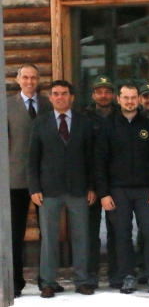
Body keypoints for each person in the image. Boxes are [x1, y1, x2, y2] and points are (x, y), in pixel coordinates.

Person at [94, 82, 149, 295]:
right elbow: (99, 162)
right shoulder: (109, 126)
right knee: (122, 235)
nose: (129, 101)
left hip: (146, 191)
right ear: (119, 100)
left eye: (133, 98)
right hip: (118, 191)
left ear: (139, 100)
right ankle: (126, 276)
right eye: (125, 97)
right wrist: (104, 193)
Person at [27, 80, 95, 297]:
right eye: (55, 94)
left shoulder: (84, 123)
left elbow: (91, 158)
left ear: (71, 97)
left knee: (81, 236)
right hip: (49, 190)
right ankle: (48, 282)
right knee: (48, 238)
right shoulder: (40, 123)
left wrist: (92, 186)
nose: (60, 97)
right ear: (50, 98)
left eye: (64, 93)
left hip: (78, 188)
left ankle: (82, 280)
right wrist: (34, 188)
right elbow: (32, 159)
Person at [8, 64, 52, 298]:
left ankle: (46, 279)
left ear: (39, 80)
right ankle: (15, 281)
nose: (29, 81)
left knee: (47, 232)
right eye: (25, 77)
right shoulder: (6, 106)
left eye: (34, 77)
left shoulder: (48, 104)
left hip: (45, 178)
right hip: (15, 179)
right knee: (15, 233)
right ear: (18, 79)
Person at [85, 75, 119, 288]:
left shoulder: (121, 116)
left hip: (115, 181)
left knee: (116, 229)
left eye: (107, 91)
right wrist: (89, 185)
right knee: (91, 230)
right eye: (99, 91)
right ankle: (91, 272)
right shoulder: (84, 118)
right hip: (91, 181)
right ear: (93, 95)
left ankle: (116, 272)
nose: (103, 95)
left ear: (113, 95)